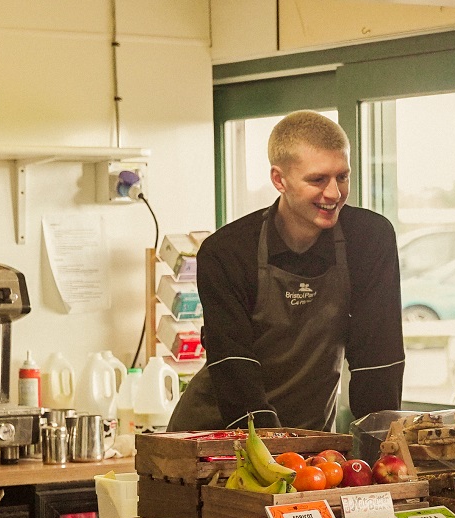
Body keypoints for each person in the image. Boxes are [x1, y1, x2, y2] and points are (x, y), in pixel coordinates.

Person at [168, 110, 405, 431]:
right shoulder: (228, 251)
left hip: (309, 435)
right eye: (317, 179)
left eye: (342, 177)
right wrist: (275, 450)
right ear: (279, 179)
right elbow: (234, 366)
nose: (334, 193)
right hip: (218, 432)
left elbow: (377, 357)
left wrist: (376, 445)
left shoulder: (368, 239)